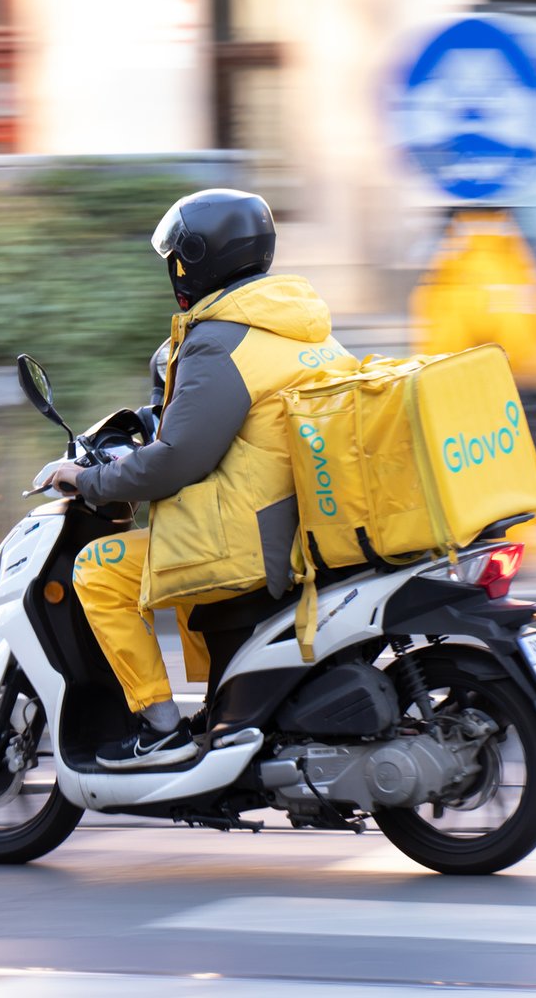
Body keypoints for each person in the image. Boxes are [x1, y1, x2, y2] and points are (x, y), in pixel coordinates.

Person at [42, 189, 357, 769]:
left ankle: (159, 729)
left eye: (177, 259)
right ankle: (225, 705)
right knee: (173, 548)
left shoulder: (218, 340)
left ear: (197, 259)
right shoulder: (304, 330)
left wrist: (89, 481)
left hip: (253, 544)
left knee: (99, 569)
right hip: (311, 529)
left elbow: (177, 461)